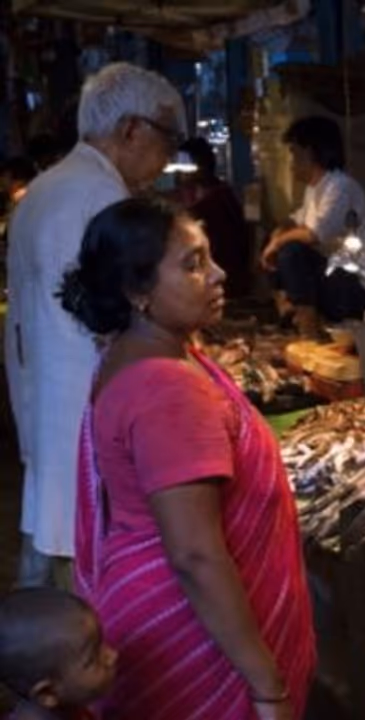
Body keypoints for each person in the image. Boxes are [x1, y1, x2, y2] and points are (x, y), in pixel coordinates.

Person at [59, 198, 315, 720]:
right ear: (138, 293)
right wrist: (268, 687)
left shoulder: (137, 352)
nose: (219, 274)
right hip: (191, 633)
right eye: (193, 264)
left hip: (160, 610)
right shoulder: (167, 390)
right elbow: (196, 556)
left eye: (210, 258)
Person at [4, 62, 185, 589]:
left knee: (57, 545)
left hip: (47, 406)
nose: (169, 157)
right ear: (131, 129)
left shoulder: (41, 189)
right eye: (167, 138)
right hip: (89, 409)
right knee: (91, 573)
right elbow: (121, 318)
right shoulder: (104, 201)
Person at [261, 116, 365, 337]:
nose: (291, 163)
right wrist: (274, 238)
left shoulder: (339, 186)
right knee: (278, 242)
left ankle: (308, 331)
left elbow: (313, 235)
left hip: (358, 290)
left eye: (294, 153)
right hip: (335, 283)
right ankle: (289, 310)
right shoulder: (314, 189)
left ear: (308, 153)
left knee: (292, 250)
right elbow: (292, 221)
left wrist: (278, 242)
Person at [0, 588, 117, 720]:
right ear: (47, 693)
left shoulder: (69, 708)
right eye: (92, 659)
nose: (112, 656)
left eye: (101, 642)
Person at [176, 137, 252, 298]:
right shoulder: (195, 192)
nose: (179, 170)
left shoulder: (219, 197)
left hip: (222, 275)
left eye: (184, 164)